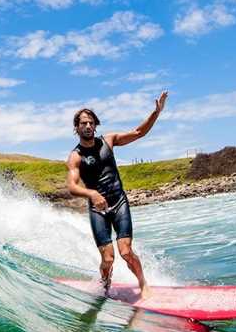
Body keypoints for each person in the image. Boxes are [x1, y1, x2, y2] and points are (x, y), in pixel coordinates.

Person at [65, 92, 168, 299]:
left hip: (118, 201)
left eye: (91, 122)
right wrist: (92, 193)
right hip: (97, 208)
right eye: (83, 123)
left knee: (126, 252)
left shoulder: (108, 141)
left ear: (95, 125)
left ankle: (143, 284)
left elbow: (138, 132)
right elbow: (72, 187)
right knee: (108, 259)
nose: (87, 126)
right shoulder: (75, 156)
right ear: (76, 128)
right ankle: (105, 284)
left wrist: (156, 113)